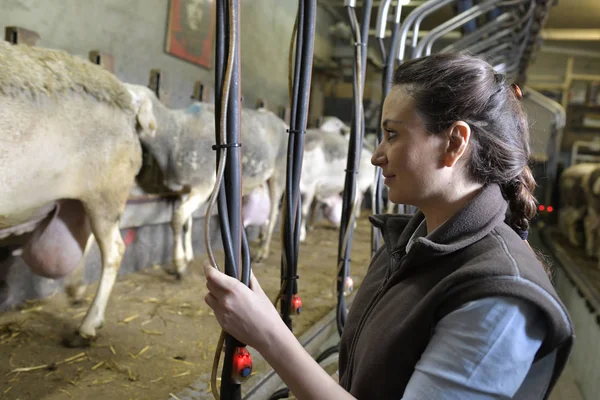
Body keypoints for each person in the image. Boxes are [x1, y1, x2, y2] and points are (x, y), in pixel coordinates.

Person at [203, 53, 574, 399]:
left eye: (393, 134)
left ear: (455, 142)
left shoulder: (498, 299)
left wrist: (268, 332)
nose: (377, 156)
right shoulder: (413, 243)